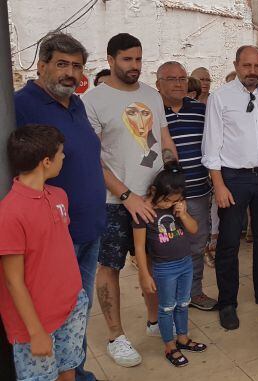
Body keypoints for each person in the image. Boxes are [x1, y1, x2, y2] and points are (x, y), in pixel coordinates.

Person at [13, 32, 106, 381]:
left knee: (78, 310)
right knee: (51, 312)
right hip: (54, 235)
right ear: (42, 65)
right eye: (62, 64)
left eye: (77, 66)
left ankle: (74, 371)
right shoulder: (20, 105)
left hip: (89, 226)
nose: (71, 73)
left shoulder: (76, 103)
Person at [82, 33, 177, 368]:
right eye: (127, 59)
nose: (134, 66)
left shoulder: (151, 95)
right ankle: (116, 336)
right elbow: (94, 158)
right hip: (113, 201)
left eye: (138, 59)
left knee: (155, 261)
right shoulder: (93, 101)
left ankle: (154, 321)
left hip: (153, 198)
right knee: (110, 267)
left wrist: (170, 176)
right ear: (110, 60)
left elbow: (162, 139)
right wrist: (126, 195)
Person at [201, 45, 258, 330]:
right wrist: (219, 185)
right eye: (246, 65)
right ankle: (228, 302)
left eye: (257, 66)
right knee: (229, 243)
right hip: (233, 179)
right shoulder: (220, 97)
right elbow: (211, 144)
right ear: (236, 65)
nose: (252, 71)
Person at [0, 124, 89, 381]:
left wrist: (77, 295)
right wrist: (35, 331)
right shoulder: (10, 213)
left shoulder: (59, 195)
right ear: (46, 161)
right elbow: (13, 280)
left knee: (69, 367)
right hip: (34, 322)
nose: (64, 157)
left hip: (71, 305)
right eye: (61, 153)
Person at [132, 161, 208, 367]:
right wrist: (145, 275)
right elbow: (139, 248)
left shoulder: (177, 208)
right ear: (154, 191)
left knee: (183, 303)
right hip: (164, 268)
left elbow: (194, 229)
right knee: (166, 308)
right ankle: (169, 345)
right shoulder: (143, 213)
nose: (169, 204)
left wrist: (183, 213)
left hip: (185, 264)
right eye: (166, 200)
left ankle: (182, 338)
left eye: (176, 200)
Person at [156, 61, 218, 311]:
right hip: (165, 198)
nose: (179, 83)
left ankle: (194, 293)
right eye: (172, 79)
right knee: (165, 247)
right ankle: (168, 298)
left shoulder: (199, 110)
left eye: (182, 78)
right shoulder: (152, 113)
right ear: (158, 83)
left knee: (196, 244)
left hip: (198, 192)